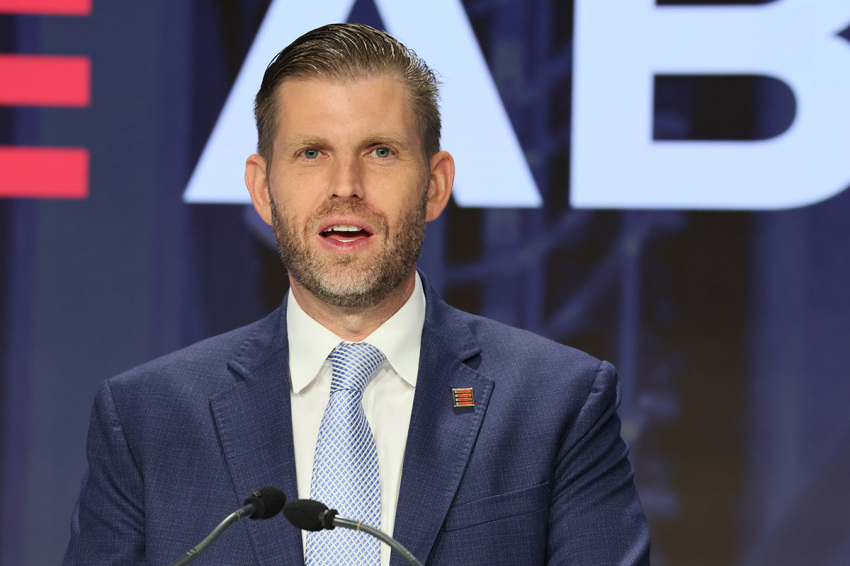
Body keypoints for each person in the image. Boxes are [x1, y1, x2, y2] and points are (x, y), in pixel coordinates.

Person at [64, 23, 650, 565]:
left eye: (381, 152)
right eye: (312, 153)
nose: (346, 188)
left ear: (435, 185)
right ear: (263, 189)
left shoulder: (559, 405)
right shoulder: (147, 420)